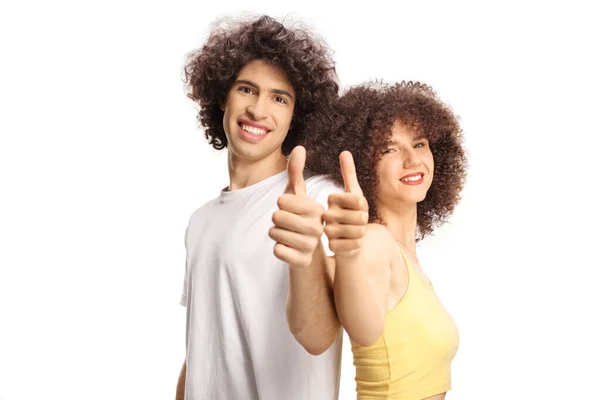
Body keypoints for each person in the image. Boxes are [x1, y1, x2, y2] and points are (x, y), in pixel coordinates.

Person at [176, 15, 344, 400]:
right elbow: (201, 347)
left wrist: (309, 253)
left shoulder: (316, 198)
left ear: (294, 116)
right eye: (247, 89)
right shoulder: (200, 220)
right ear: (223, 96)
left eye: (279, 98)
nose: (257, 109)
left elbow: (320, 337)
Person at [301, 81, 468, 399]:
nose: (412, 160)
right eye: (389, 149)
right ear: (364, 165)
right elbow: (360, 326)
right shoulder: (374, 243)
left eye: (419, 144)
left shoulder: (402, 253)